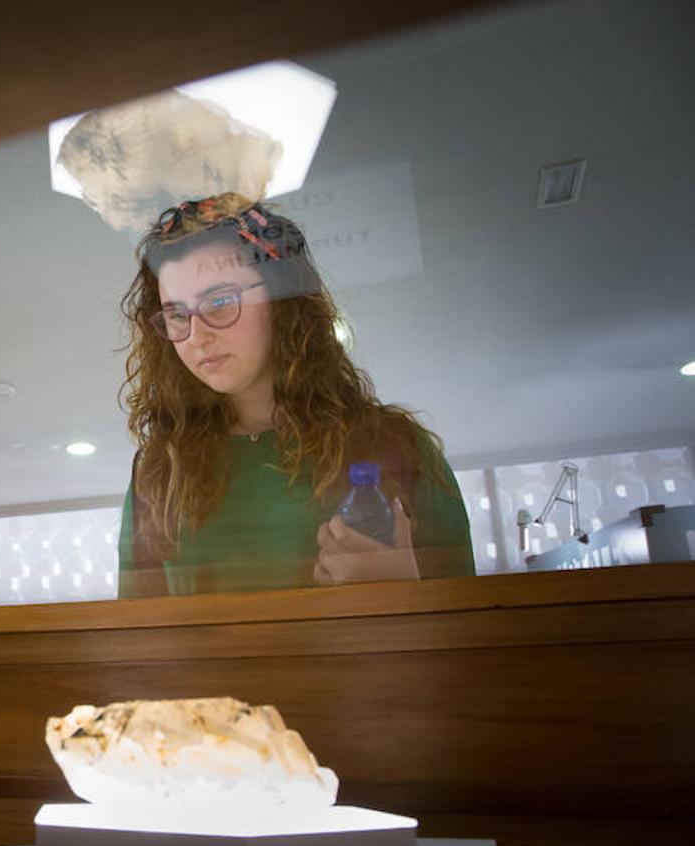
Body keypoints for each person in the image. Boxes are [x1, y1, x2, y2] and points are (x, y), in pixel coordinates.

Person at [117, 193, 475, 597]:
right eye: (177, 315)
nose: (197, 336)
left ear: (281, 301)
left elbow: (477, 623)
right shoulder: (160, 470)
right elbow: (136, 628)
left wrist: (403, 591)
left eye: (219, 302)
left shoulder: (395, 446)